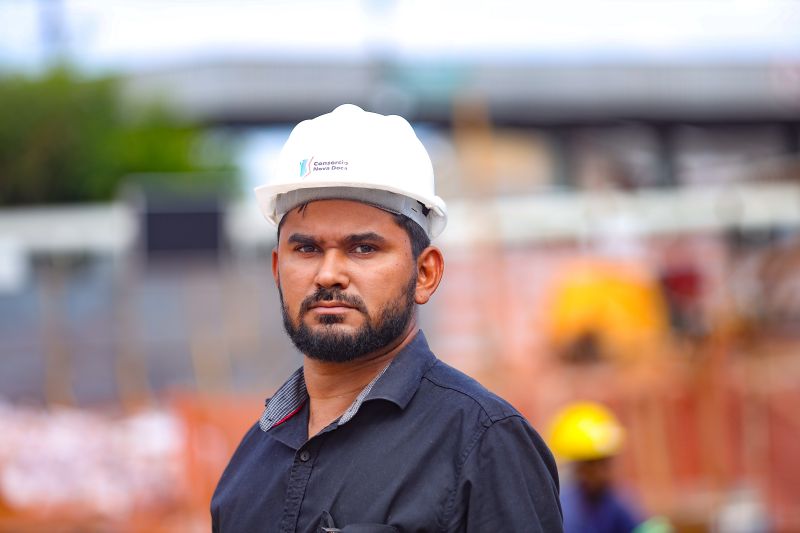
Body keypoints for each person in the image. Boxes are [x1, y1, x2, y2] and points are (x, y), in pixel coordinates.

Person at [211, 104, 562, 532]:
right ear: (276, 270)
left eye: (363, 248)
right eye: (306, 249)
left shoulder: (483, 443)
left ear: (425, 273)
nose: (328, 274)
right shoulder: (249, 465)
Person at [548, 402, 662, 533]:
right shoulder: (566, 510)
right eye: (594, 463)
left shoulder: (613, 499)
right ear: (577, 467)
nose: (604, 471)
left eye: (606, 461)